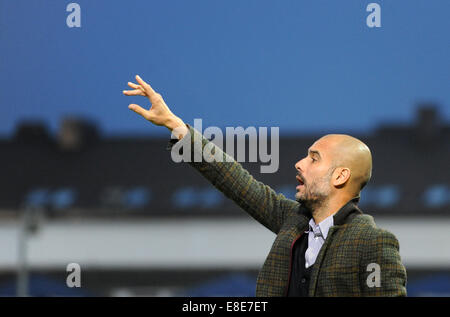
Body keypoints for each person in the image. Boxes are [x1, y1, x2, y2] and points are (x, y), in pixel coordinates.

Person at [123, 75, 407, 296]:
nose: (299, 163)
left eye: (313, 158)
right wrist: (176, 126)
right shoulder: (291, 222)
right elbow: (235, 179)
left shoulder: (374, 243)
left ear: (340, 176)